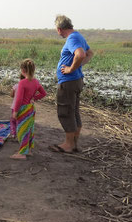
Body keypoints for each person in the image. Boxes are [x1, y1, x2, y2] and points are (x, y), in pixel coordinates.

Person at [51, 15, 93, 154]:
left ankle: (68, 145)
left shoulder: (72, 38)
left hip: (69, 82)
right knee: (74, 112)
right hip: (76, 80)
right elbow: (90, 53)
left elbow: (81, 54)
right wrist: (78, 67)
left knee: (65, 112)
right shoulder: (78, 36)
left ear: (59, 29)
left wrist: (70, 69)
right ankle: (74, 143)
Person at [10, 59, 47, 160]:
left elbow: (19, 99)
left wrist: (16, 111)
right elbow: (44, 93)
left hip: (23, 109)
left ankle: (22, 153)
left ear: (22, 70)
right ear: (33, 69)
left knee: (21, 131)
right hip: (31, 109)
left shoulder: (22, 83)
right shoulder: (36, 82)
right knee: (29, 130)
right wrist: (34, 98)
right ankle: (29, 150)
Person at [9, 73, 25, 139]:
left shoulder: (16, 86)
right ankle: (20, 134)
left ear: (20, 78)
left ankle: (13, 134)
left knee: (13, 121)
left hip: (15, 107)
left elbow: (12, 95)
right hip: (24, 107)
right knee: (21, 121)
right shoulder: (27, 87)